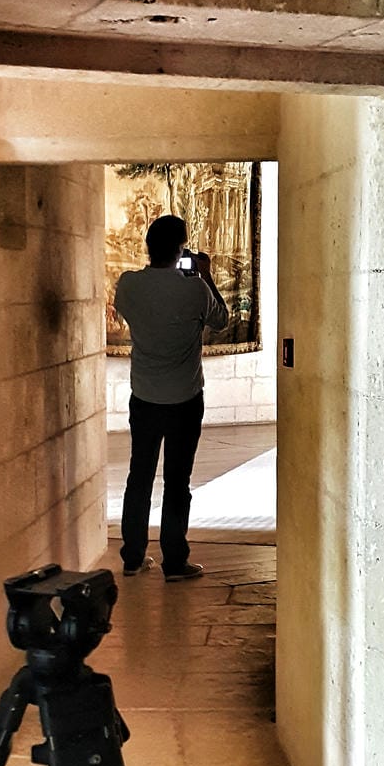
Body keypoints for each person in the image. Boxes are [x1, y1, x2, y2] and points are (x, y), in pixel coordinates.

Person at [112, 214, 229, 582]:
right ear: (182, 248)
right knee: (178, 482)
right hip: (185, 399)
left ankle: (132, 557)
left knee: (139, 476)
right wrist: (204, 274)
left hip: (144, 396)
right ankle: (174, 562)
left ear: (148, 247)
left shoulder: (128, 285)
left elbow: (131, 311)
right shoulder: (194, 289)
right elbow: (222, 320)